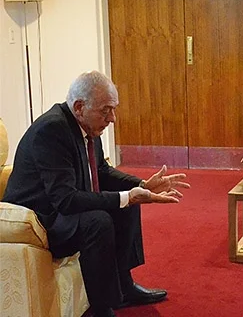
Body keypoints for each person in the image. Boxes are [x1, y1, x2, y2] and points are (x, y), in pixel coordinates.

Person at [2, 71, 190, 317]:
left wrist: (141, 185)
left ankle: (124, 286)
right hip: (43, 218)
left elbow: (101, 171)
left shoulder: (87, 127)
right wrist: (127, 196)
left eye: (113, 109)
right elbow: (65, 200)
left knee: (126, 202)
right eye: (105, 110)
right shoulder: (51, 131)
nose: (112, 118)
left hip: (62, 207)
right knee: (98, 220)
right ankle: (102, 308)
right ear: (79, 107)